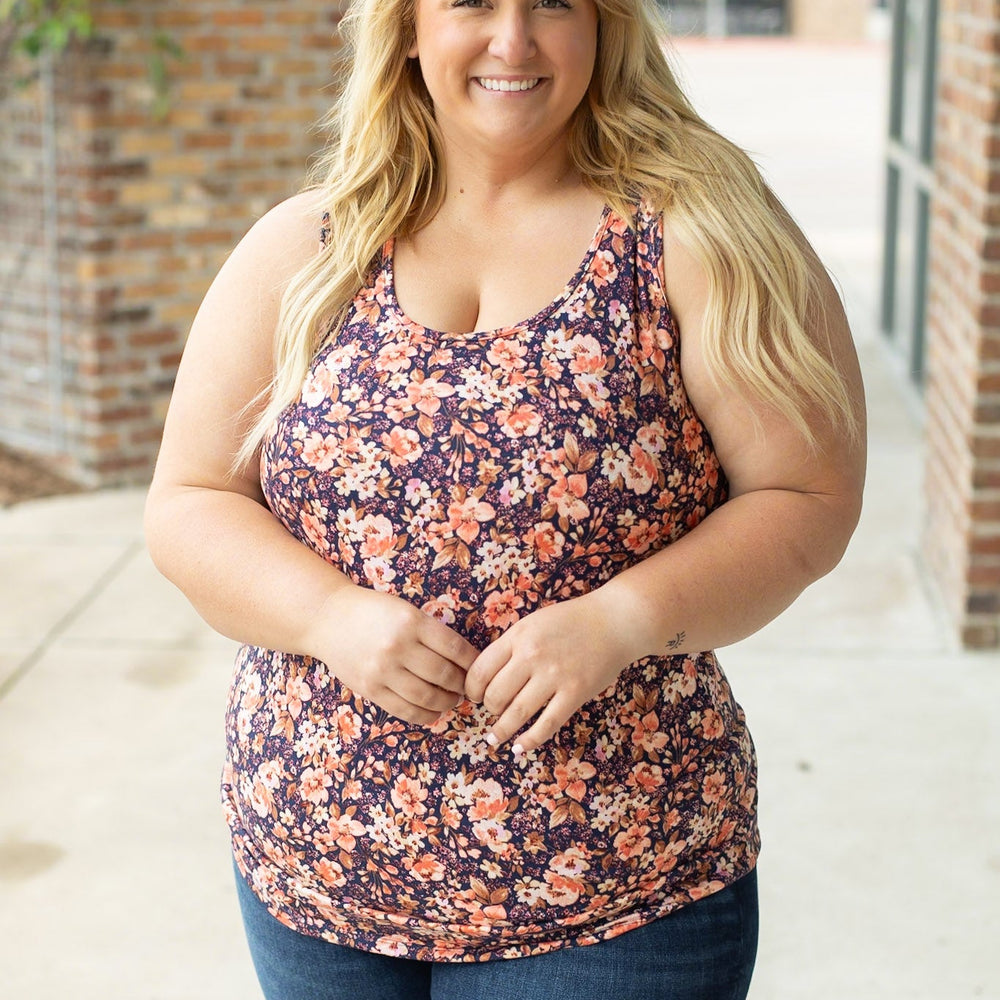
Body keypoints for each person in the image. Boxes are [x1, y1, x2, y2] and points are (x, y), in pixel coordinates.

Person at [144, 0, 866, 997]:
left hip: (615, 889)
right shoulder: (305, 250)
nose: (513, 39)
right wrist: (329, 617)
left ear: (605, 27)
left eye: (555, 4)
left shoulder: (699, 239)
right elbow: (187, 502)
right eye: (473, 3)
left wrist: (622, 618)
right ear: (403, 28)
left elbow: (807, 493)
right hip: (317, 881)